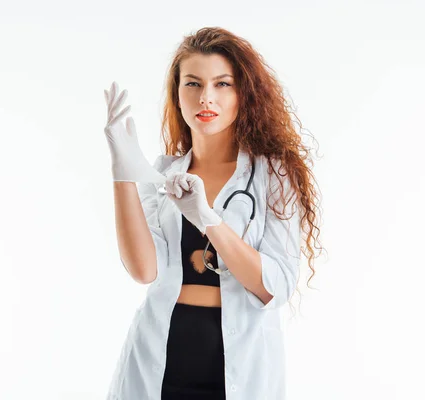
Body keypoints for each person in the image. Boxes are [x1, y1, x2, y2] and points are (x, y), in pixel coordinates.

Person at [103, 27, 323, 400]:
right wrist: (123, 175)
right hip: (159, 364)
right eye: (192, 83)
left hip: (239, 371)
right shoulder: (164, 172)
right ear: (178, 94)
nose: (206, 97)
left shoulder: (273, 175)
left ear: (243, 94)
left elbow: (275, 286)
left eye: (222, 84)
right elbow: (144, 270)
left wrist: (209, 219)